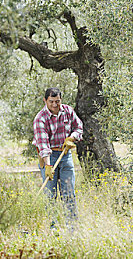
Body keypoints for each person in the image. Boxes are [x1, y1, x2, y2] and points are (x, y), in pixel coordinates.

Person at [33, 87, 83, 222]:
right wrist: (48, 166)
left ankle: (72, 228)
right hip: (49, 157)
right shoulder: (40, 118)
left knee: (69, 193)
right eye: (51, 102)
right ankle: (53, 228)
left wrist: (71, 138)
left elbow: (79, 127)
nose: (55, 105)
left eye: (57, 101)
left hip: (65, 155)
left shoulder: (67, 111)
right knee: (50, 194)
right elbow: (43, 145)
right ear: (45, 100)